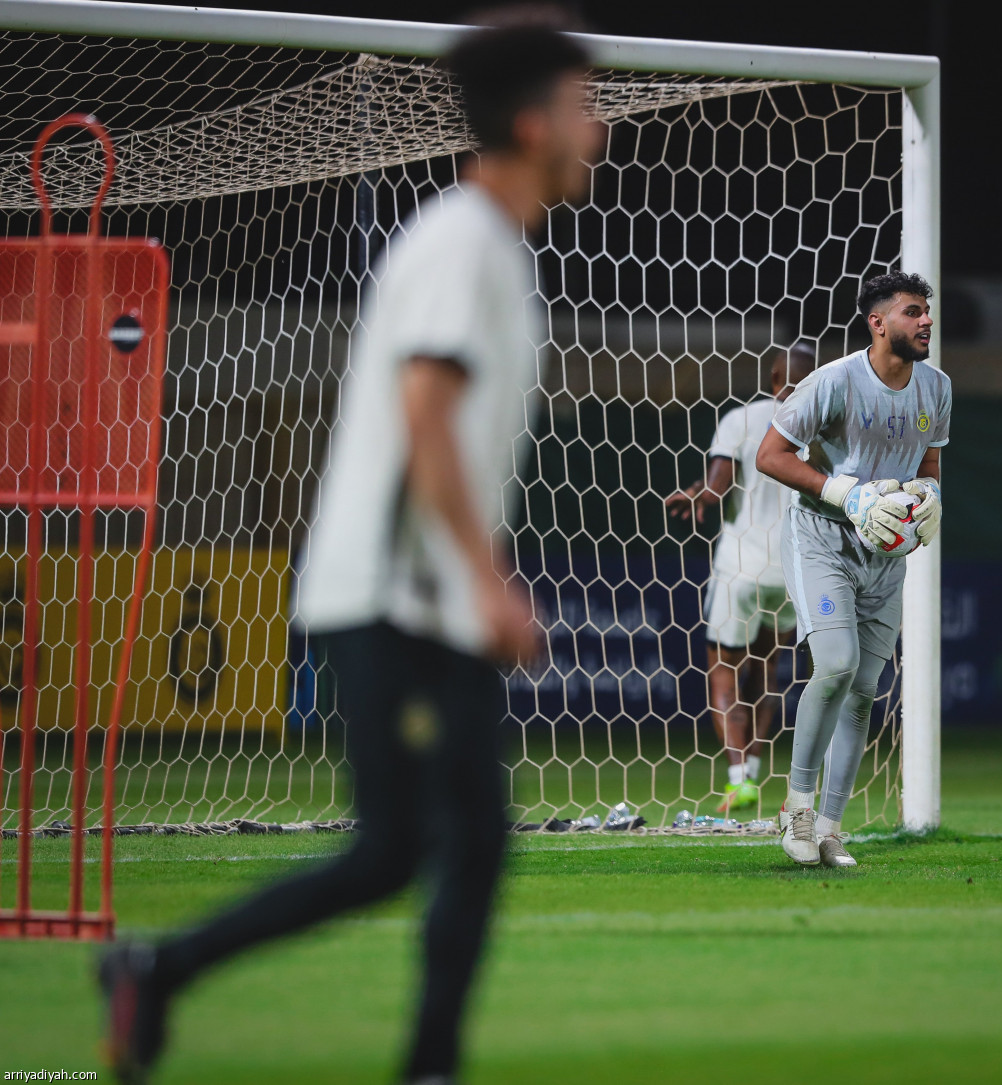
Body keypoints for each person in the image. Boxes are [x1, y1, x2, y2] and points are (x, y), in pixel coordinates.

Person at [99, 18, 605, 1085]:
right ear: (530, 123)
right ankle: (170, 968)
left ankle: (198, 981)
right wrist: (487, 575)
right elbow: (425, 411)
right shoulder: (461, 242)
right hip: (394, 598)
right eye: (581, 105)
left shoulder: (493, 248)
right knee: (405, 846)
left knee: (449, 843)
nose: (596, 129)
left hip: (425, 602)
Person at [755, 272, 950, 867]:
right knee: (835, 664)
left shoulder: (937, 388)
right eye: (913, 312)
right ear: (878, 322)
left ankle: (832, 829)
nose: (926, 322)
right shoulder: (833, 381)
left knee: (864, 689)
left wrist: (923, 504)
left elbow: (931, 465)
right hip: (823, 538)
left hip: (885, 555)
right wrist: (848, 495)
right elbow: (770, 456)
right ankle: (797, 810)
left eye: (927, 313)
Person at [666, 345, 814, 813]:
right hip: (790, 572)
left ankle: (736, 780)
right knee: (767, 668)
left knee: (724, 670)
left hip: (740, 568)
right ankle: (754, 768)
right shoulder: (819, 427)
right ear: (811, 381)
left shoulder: (741, 420)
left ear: (773, 377)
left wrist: (697, 496)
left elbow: (719, 483)